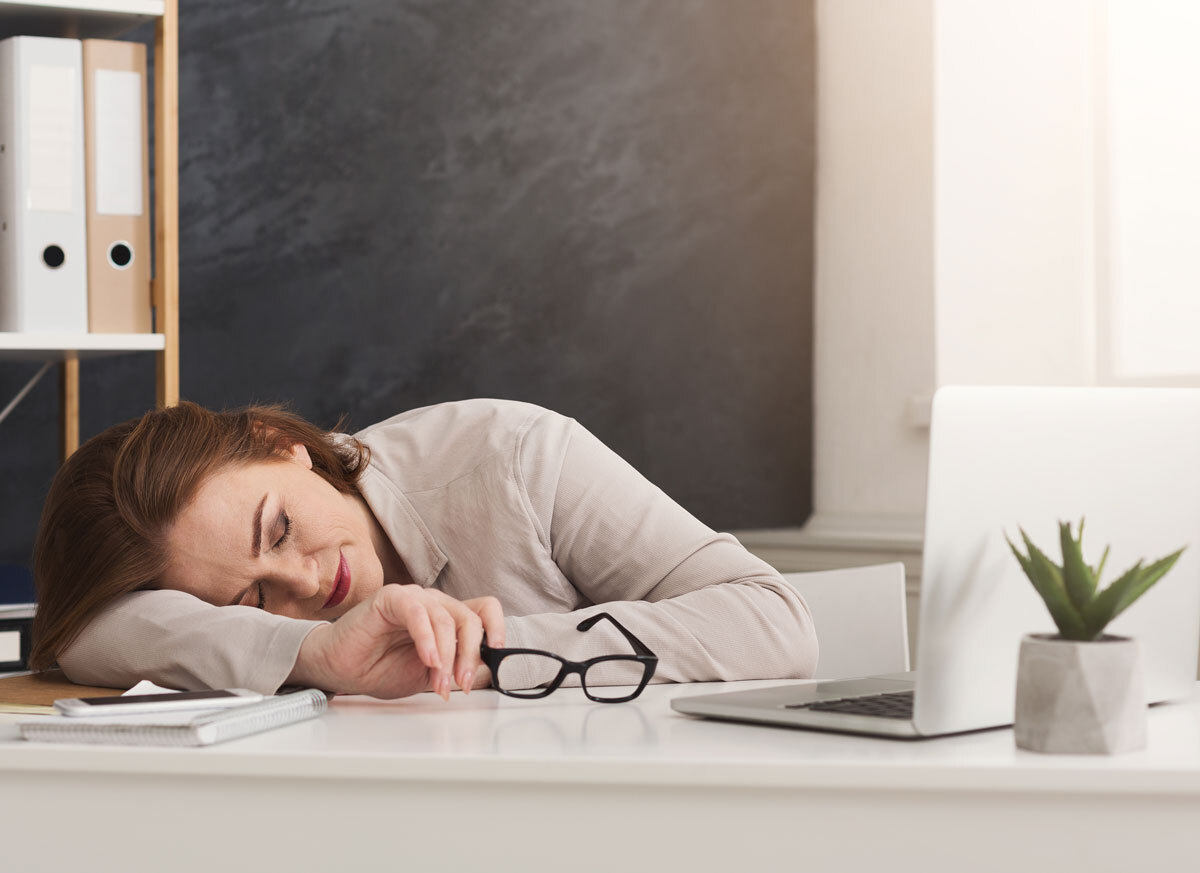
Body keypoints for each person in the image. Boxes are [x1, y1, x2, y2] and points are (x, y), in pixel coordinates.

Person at [31, 398, 818, 699]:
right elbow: (81, 635)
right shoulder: (291, 617)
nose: (304, 579)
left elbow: (775, 621)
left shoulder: (514, 457)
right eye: (254, 598)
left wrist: (480, 650)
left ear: (282, 446)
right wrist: (312, 650)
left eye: (279, 529)